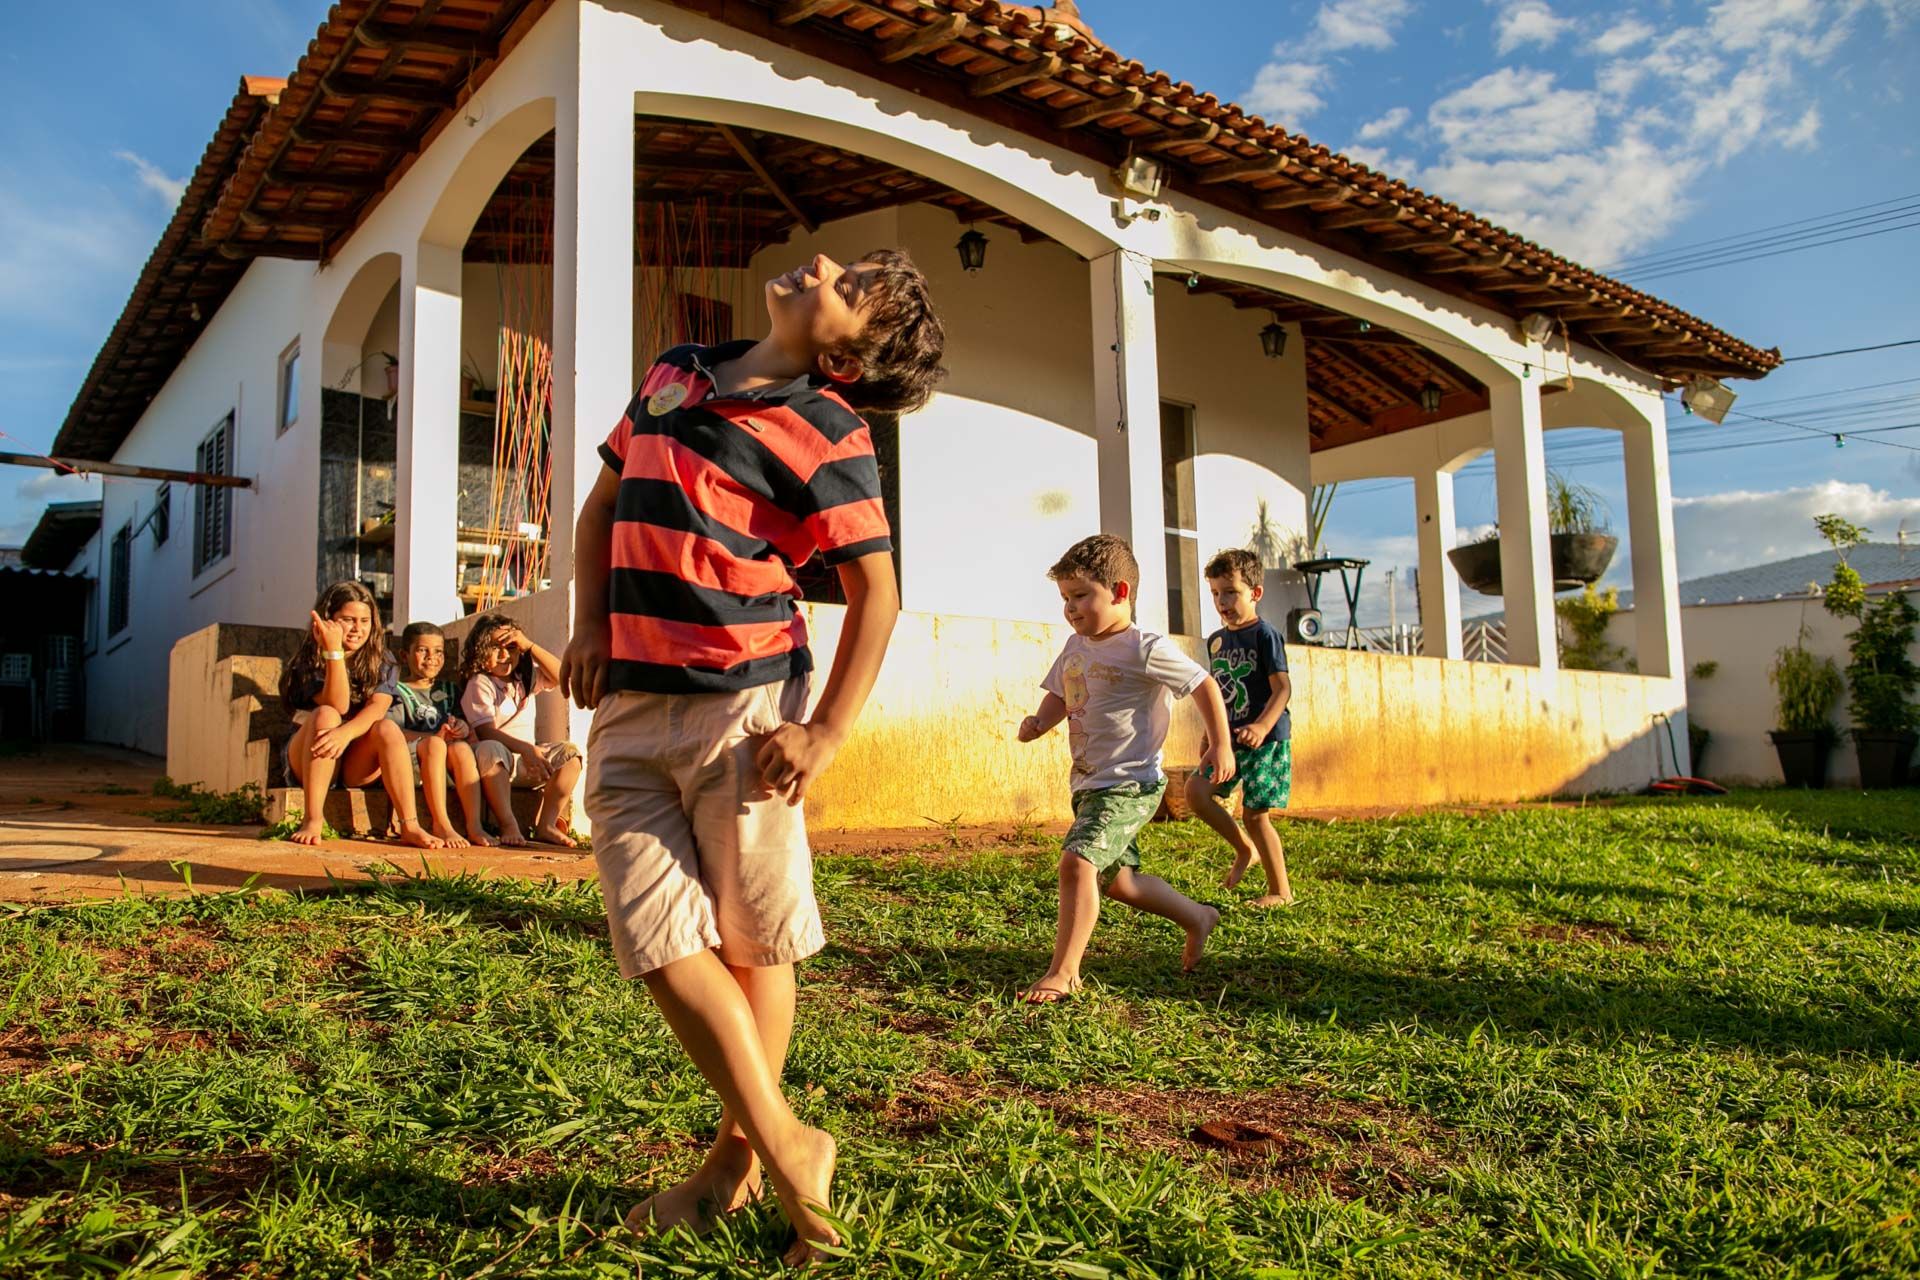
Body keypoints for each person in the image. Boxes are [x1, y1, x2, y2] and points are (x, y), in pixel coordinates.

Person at [559, 249, 944, 1264]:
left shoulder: (831, 429)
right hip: (630, 706)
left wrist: (824, 732)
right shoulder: (674, 369)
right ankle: (784, 1137)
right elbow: (602, 508)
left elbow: (877, 595)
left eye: (848, 287)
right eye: (845, 263)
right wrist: (590, 619)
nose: (820, 266)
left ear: (849, 358)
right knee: (654, 935)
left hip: (744, 712)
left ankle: (731, 1167)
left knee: (750, 940)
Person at [1016, 534, 1238, 1003]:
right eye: (1065, 599)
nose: (1071, 608)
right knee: (1120, 883)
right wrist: (1040, 721)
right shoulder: (1076, 646)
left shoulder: (1145, 647)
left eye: (1081, 596)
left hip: (1130, 784)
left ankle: (1065, 973)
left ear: (1119, 592)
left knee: (1077, 863)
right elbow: (1062, 691)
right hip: (1089, 784)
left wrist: (1220, 743)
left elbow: (1204, 685)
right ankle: (1198, 917)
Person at [279, 581, 443, 850]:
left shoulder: (383, 660)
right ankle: (313, 817)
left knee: (387, 728)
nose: (358, 629)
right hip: (313, 756)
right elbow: (338, 704)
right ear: (328, 619)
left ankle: (410, 825)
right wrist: (334, 654)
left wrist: (347, 733)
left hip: (356, 758)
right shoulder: (308, 660)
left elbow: (377, 708)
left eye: (365, 620)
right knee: (327, 715)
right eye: (348, 620)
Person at [1183, 549, 1295, 907]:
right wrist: (1209, 735)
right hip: (1228, 741)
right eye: (1215, 593)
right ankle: (1244, 849)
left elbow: (1283, 688)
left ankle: (1280, 892)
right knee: (1196, 793)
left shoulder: (1266, 635)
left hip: (1266, 741)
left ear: (1255, 594)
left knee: (1255, 814)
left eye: (1230, 591)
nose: (1222, 601)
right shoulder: (1216, 641)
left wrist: (1262, 726)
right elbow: (1217, 691)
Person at [458, 614, 582, 848]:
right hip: (493, 762)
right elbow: (486, 732)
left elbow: (563, 677)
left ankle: (546, 824)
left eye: (512, 648)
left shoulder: (523, 678)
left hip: (527, 762)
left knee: (571, 755)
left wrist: (530, 646)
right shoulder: (479, 683)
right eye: (496, 648)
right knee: (491, 747)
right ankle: (508, 823)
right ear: (479, 651)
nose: (505, 655)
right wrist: (527, 749)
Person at [383, 621, 493, 849]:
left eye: (438, 652)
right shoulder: (396, 692)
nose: (431, 657)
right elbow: (393, 733)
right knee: (434, 744)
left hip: (447, 762)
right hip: (412, 761)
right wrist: (433, 736)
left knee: (462, 749)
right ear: (405, 655)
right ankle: (441, 823)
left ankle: (474, 825)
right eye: (422, 650)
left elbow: (463, 723)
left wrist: (461, 727)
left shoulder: (451, 690)